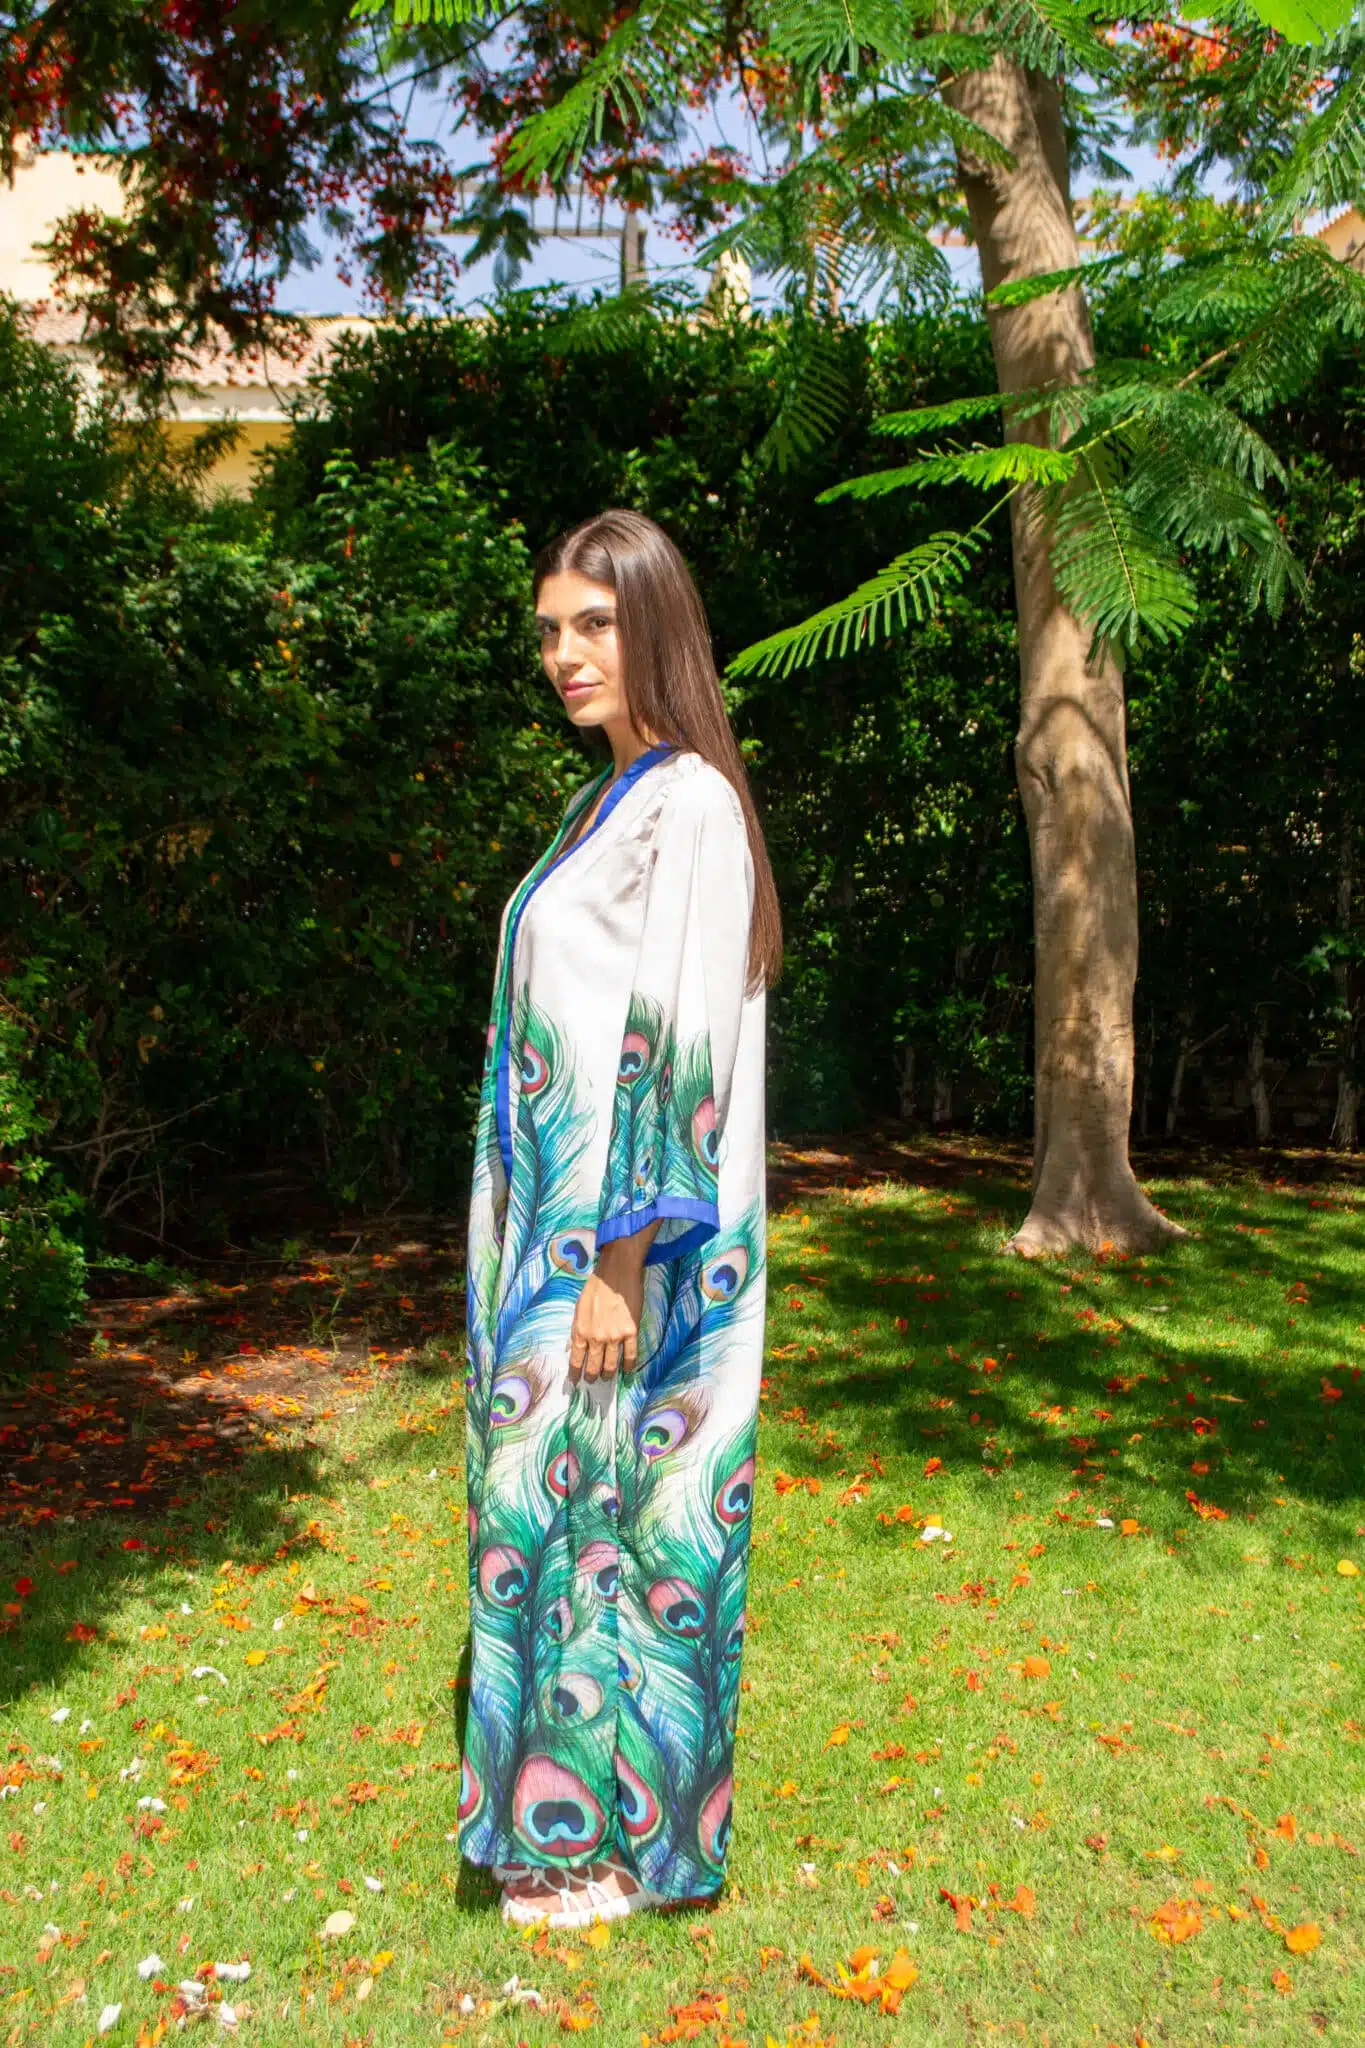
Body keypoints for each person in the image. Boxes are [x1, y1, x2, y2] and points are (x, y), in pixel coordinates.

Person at [458, 509, 781, 1929]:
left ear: (654, 623)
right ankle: (566, 1821)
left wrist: (618, 1268)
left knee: (611, 1515)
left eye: (593, 623)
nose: (564, 654)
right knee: (556, 1503)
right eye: (550, 630)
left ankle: (597, 1847)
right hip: (557, 1241)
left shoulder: (691, 803)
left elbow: (677, 1045)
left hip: (622, 1247)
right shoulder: (612, 800)